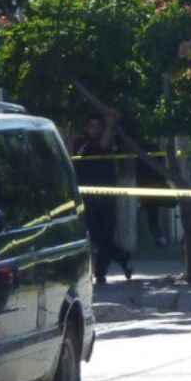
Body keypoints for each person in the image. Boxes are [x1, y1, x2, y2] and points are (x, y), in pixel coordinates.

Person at [72, 114, 133, 285]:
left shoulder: (105, 144)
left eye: (98, 126)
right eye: (91, 125)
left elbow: (104, 144)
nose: (94, 129)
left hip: (105, 197)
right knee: (95, 236)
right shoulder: (80, 143)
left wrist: (111, 122)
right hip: (87, 197)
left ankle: (101, 273)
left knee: (105, 235)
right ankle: (121, 257)